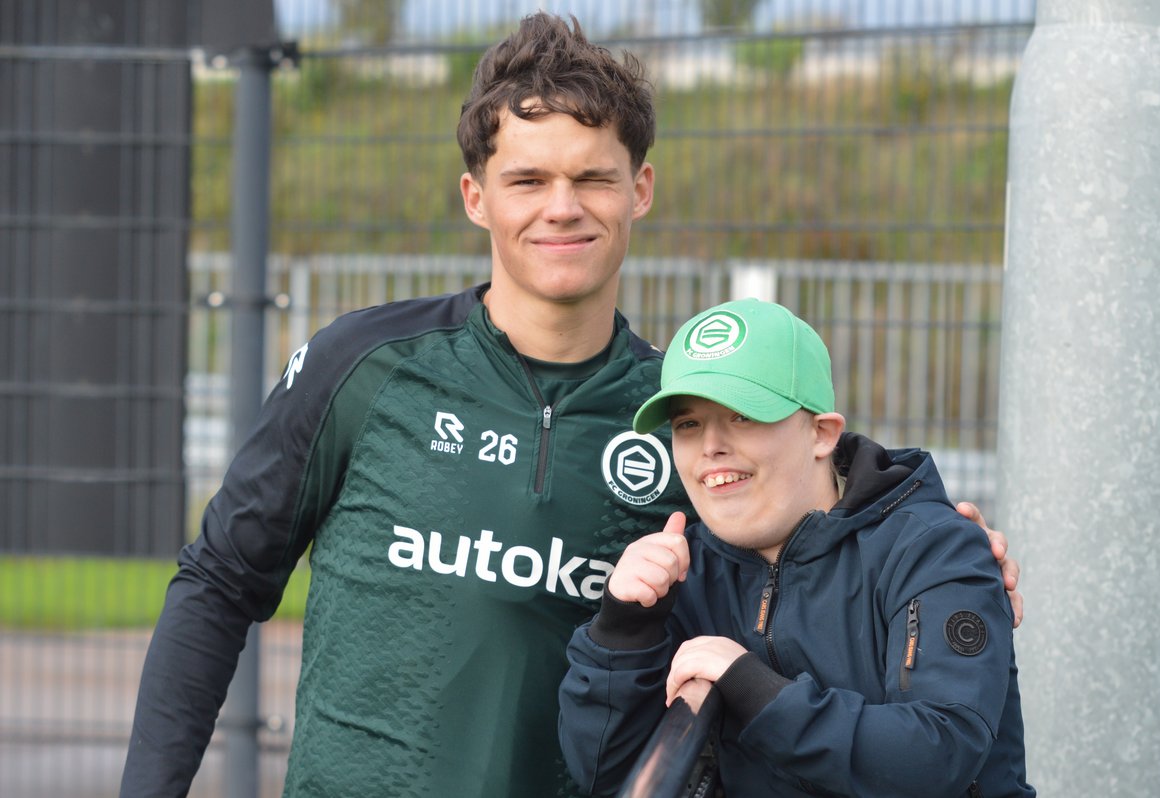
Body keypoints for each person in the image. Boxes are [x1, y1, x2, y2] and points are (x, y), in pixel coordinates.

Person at [121, 13, 1019, 798]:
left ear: (641, 190)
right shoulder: (368, 365)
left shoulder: (675, 418)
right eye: (527, 180)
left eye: (593, 178)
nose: (562, 209)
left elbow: (802, 542)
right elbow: (218, 583)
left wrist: (930, 550)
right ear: (476, 197)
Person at [559, 299, 1035, 797]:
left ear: (822, 433)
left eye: (742, 416)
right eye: (688, 424)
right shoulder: (685, 569)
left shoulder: (934, 548)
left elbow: (935, 757)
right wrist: (623, 630)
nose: (710, 446)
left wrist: (749, 686)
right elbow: (603, 772)